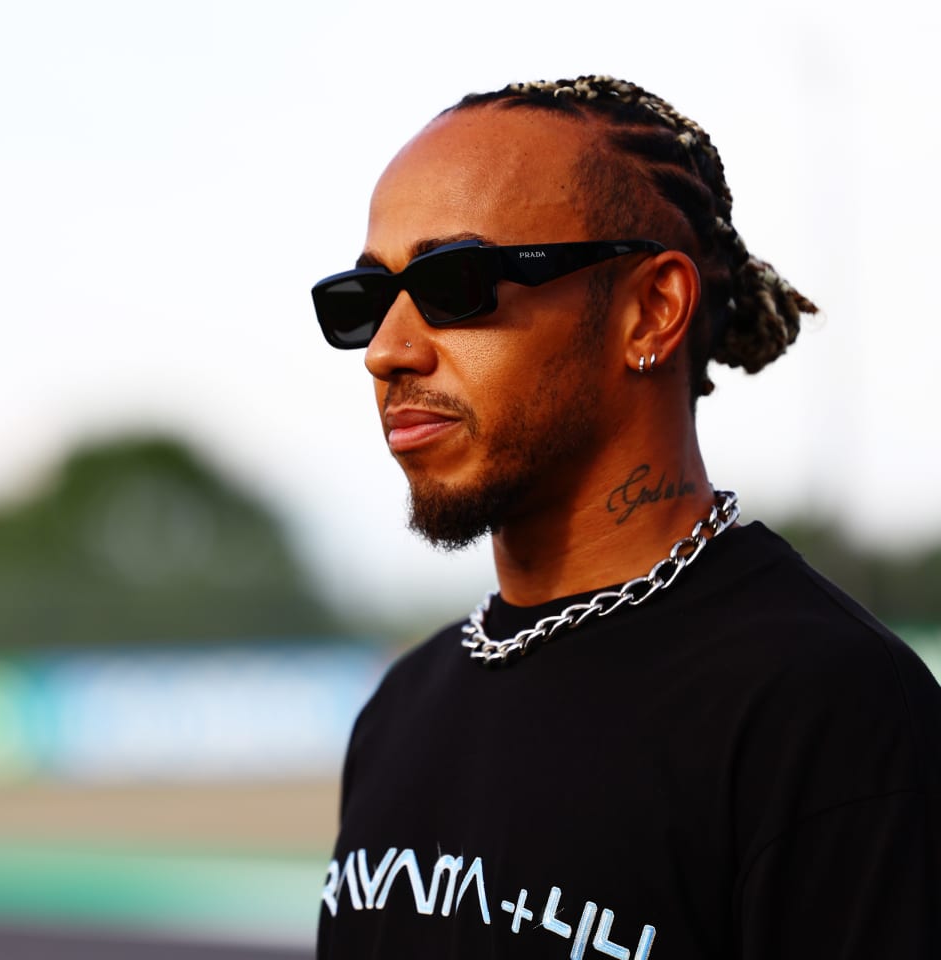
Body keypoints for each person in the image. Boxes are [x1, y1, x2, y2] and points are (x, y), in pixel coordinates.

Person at [309, 75, 941, 959]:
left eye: (455, 283)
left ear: (652, 310)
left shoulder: (826, 711)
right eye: (365, 300)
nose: (388, 349)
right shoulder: (402, 707)